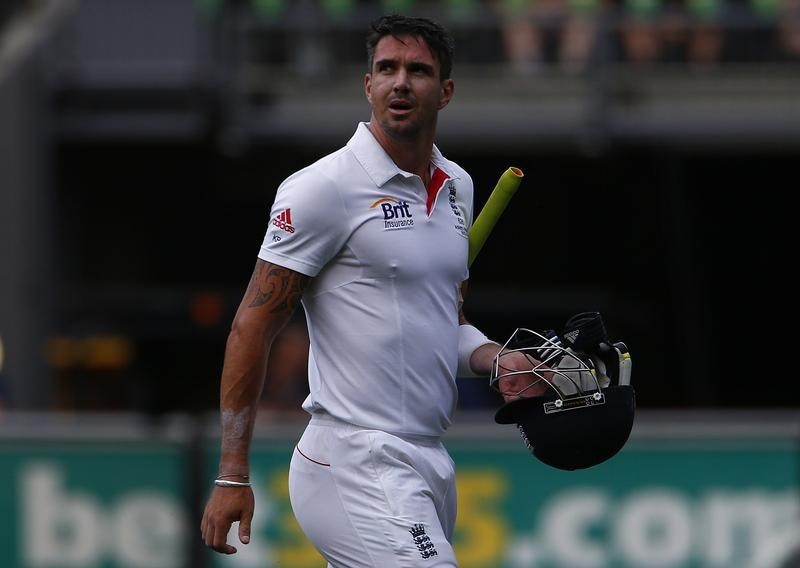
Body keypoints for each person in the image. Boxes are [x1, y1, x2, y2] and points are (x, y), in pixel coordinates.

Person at [200, 14, 542, 567]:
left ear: (445, 91)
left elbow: (437, 329)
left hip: (428, 459)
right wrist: (231, 472)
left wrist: (496, 360)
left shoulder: (458, 187)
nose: (400, 82)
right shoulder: (323, 188)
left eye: (418, 71)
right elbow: (251, 326)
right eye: (386, 68)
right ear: (368, 85)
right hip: (352, 458)